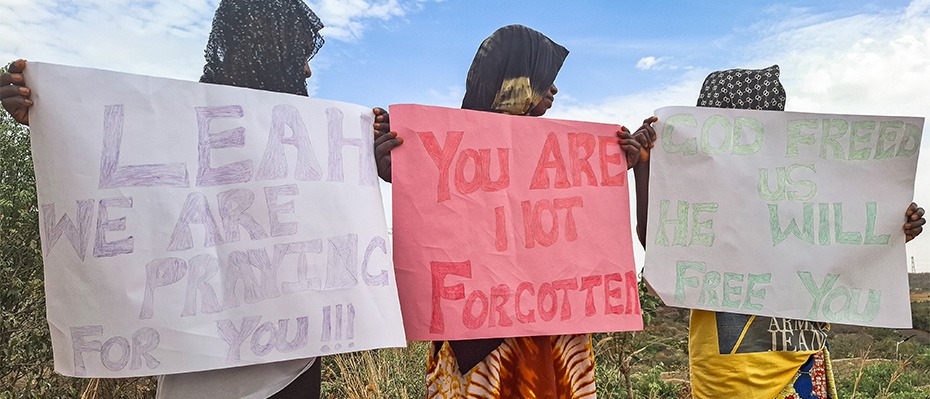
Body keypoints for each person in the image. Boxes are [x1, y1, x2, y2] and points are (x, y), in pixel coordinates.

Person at [1, 1, 392, 398]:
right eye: (298, 53)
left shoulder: (309, 139)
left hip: (292, 365)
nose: (306, 70)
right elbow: (114, 177)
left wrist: (376, 158)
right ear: (258, 45)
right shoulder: (169, 123)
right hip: (198, 371)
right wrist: (51, 114)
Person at [375, 24, 653, 398]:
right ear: (518, 81)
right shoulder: (448, 155)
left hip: (554, 336)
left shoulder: (564, 162)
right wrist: (406, 171)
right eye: (544, 78)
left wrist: (624, 163)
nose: (553, 89)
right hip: (480, 346)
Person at [632, 65, 927, 399]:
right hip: (731, 378)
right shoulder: (702, 191)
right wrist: (644, 166)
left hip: (800, 362)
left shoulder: (802, 187)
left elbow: (841, 245)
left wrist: (889, 228)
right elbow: (660, 245)